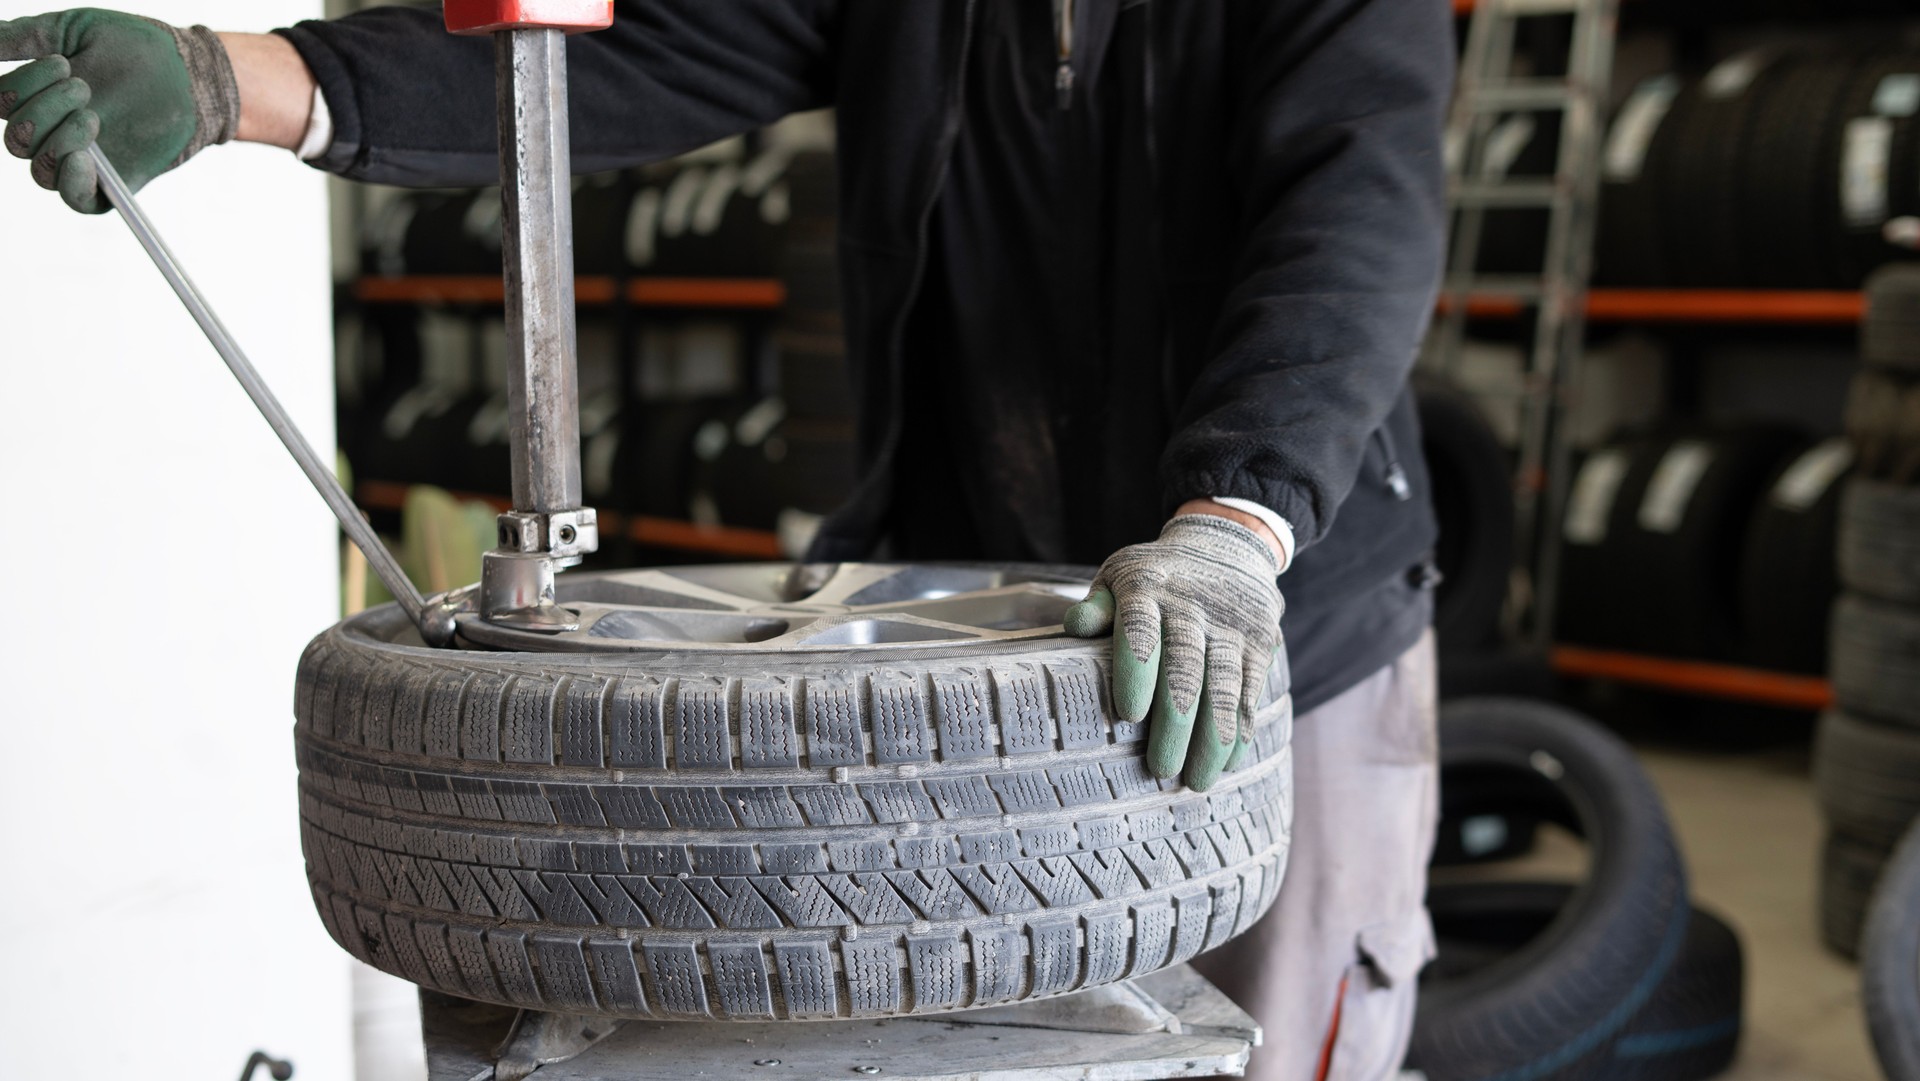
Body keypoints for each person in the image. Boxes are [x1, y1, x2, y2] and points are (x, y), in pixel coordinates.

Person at [0, 3, 1449, 1075]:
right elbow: (614, 57)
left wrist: (1230, 525)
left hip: (1263, 634)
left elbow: (1359, 210)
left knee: (1266, 1048)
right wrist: (235, 79)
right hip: (968, 665)